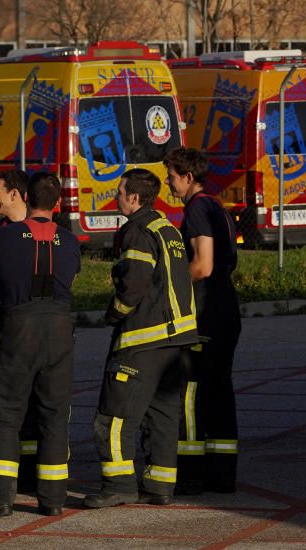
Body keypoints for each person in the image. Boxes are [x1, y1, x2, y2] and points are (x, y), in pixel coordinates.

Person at [84, 168, 198, 509]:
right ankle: (160, 485)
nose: (115, 197)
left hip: (143, 339)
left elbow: (134, 284)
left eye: (119, 192)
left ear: (134, 197)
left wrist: (115, 313)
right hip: (177, 343)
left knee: (116, 413)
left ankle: (118, 484)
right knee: (162, 415)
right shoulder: (169, 229)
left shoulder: (137, 231)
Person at [0, 172, 80, 518]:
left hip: (19, 325)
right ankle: (52, 499)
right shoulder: (70, 239)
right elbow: (72, 279)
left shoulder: (4, 237)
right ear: (58, 203)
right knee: (54, 412)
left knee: (6, 411)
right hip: (61, 327)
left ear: (26, 198)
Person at [165, 147, 242, 494]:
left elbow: (203, 265)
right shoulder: (217, 207)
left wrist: (168, 284)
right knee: (219, 389)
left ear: (188, 177)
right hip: (226, 306)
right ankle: (222, 473)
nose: (169, 181)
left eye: (172, 175)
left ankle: (192, 472)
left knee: (192, 390)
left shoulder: (196, 209)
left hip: (207, 310)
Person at [0, 169, 41, 494]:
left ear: (16, 194)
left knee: (30, 402)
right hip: (5, 325)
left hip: (32, 328)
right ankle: (5, 475)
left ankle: (26, 476)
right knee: (2, 403)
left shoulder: (43, 229)